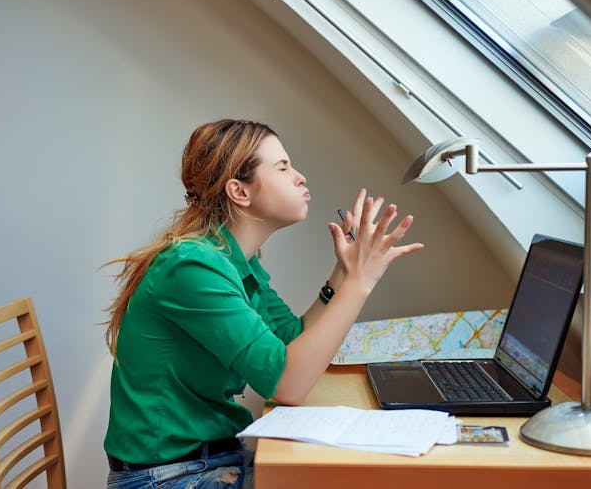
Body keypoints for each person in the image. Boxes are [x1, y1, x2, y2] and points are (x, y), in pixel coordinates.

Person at [102, 119, 424, 488]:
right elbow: (287, 384)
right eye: (283, 168)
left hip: (213, 459)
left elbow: (291, 337)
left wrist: (345, 273)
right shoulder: (193, 267)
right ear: (239, 191)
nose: (300, 177)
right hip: (167, 478)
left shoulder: (233, 258)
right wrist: (361, 283)